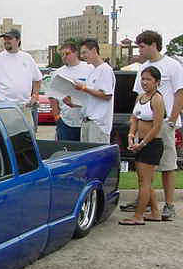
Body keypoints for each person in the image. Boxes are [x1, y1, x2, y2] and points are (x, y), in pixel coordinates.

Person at [120, 30, 183, 220]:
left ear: (153, 45)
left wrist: (171, 120)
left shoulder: (172, 65)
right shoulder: (143, 67)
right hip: (144, 124)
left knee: (167, 166)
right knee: (144, 167)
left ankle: (169, 205)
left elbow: (180, 93)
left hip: (164, 124)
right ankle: (145, 201)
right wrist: (134, 123)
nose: (139, 50)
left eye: (142, 46)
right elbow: (138, 97)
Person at [119, 66, 166, 225]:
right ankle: (155, 213)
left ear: (157, 82)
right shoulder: (140, 97)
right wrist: (131, 137)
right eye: (143, 79)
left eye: (148, 79)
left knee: (144, 182)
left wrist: (143, 143)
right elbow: (134, 118)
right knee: (143, 180)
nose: (145, 82)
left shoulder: (157, 99)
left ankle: (138, 216)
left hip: (152, 144)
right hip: (140, 143)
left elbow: (157, 126)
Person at [0, 29, 42, 129]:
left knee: (27, 137)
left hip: (25, 107)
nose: (6, 41)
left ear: (18, 40)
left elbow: (38, 79)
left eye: (9, 38)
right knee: (7, 136)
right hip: (4, 108)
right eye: (5, 39)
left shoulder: (27, 58)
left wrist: (35, 95)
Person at [68, 39, 115, 144]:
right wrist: (73, 104)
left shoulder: (105, 69)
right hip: (86, 122)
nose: (82, 56)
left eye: (85, 52)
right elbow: (91, 99)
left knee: (97, 153)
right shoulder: (93, 71)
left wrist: (84, 88)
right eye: (81, 53)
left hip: (98, 124)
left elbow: (107, 95)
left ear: (94, 50)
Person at [48, 42, 93, 141]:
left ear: (76, 53)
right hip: (66, 121)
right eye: (62, 55)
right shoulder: (57, 73)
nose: (64, 57)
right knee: (66, 149)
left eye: (67, 53)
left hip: (86, 120)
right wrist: (56, 116)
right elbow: (52, 96)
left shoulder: (89, 68)